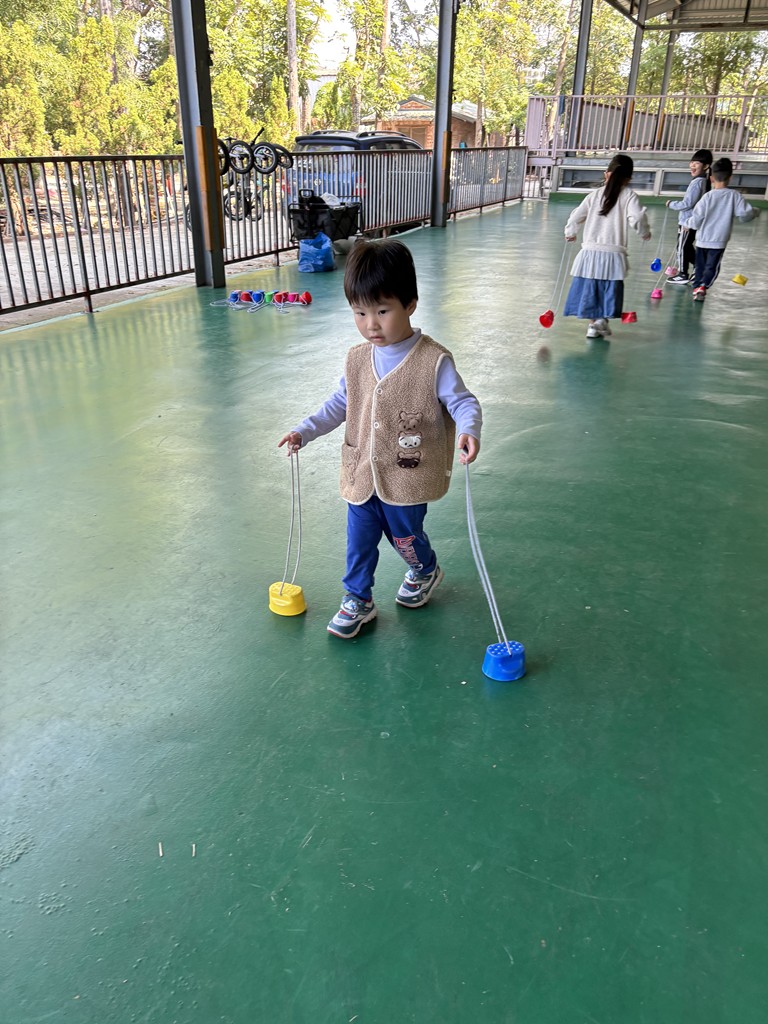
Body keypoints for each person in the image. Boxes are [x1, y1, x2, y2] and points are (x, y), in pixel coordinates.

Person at [277, 239, 482, 639]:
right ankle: (358, 598)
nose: (371, 324)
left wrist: (469, 429)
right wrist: (305, 430)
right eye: (360, 312)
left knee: (405, 537)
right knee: (359, 540)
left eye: (382, 311)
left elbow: (462, 402)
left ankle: (424, 568)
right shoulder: (357, 359)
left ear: (410, 304)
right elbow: (339, 404)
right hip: (362, 473)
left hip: (408, 475)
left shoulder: (433, 361)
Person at [563, 153, 651, 339]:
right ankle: (601, 320)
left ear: (606, 174)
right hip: (613, 253)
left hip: (590, 251)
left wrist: (570, 232)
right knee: (608, 289)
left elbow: (576, 216)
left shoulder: (594, 195)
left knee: (591, 288)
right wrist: (644, 232)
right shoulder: (629, 196)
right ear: (629, 178)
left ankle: (592, 325)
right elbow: (637, 217)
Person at [681, 156, 761, 302]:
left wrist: (687, 224)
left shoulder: (707, 197)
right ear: (730, 178)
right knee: (712, 267)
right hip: (718, 242)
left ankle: (697, 287)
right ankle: (703, 286)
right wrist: (754, 212)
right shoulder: (734, 196)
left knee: (700, 267)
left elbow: (697, 218)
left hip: (702, 240)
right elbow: (745, 214)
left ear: (711, 178)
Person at [665, 148, 713, 285]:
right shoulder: (703, 181)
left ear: (706, 166)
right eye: (692, 162)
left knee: (682, 247)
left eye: (696, 163)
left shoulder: (697, 182)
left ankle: (683, 274)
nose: (692, 165)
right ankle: (699, 267)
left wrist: (671, 204)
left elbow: (687, 203)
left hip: (688, 221)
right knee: (687, 246)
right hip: (693, 220)